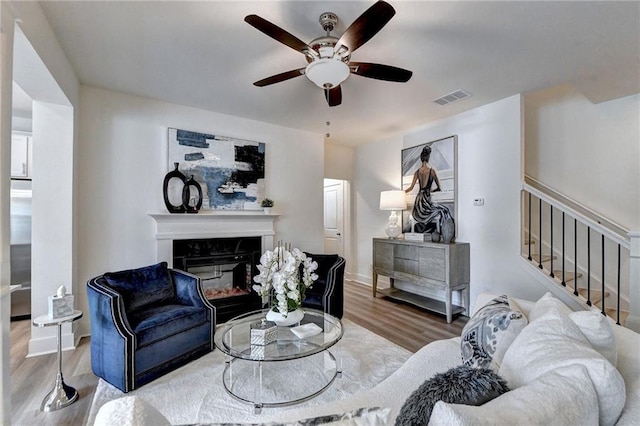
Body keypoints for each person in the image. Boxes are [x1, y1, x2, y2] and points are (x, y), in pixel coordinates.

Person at [405, 145, 455, 238]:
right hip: (426, 201)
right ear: (428, 157)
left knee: (441, 209)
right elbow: (439, 188)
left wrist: (402, 192)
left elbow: (411, 188)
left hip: (418, 203)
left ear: (421, 158)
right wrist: (432, 190)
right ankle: (444, 235)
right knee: (444, 209)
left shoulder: (417, 172)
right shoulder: (431, 171)